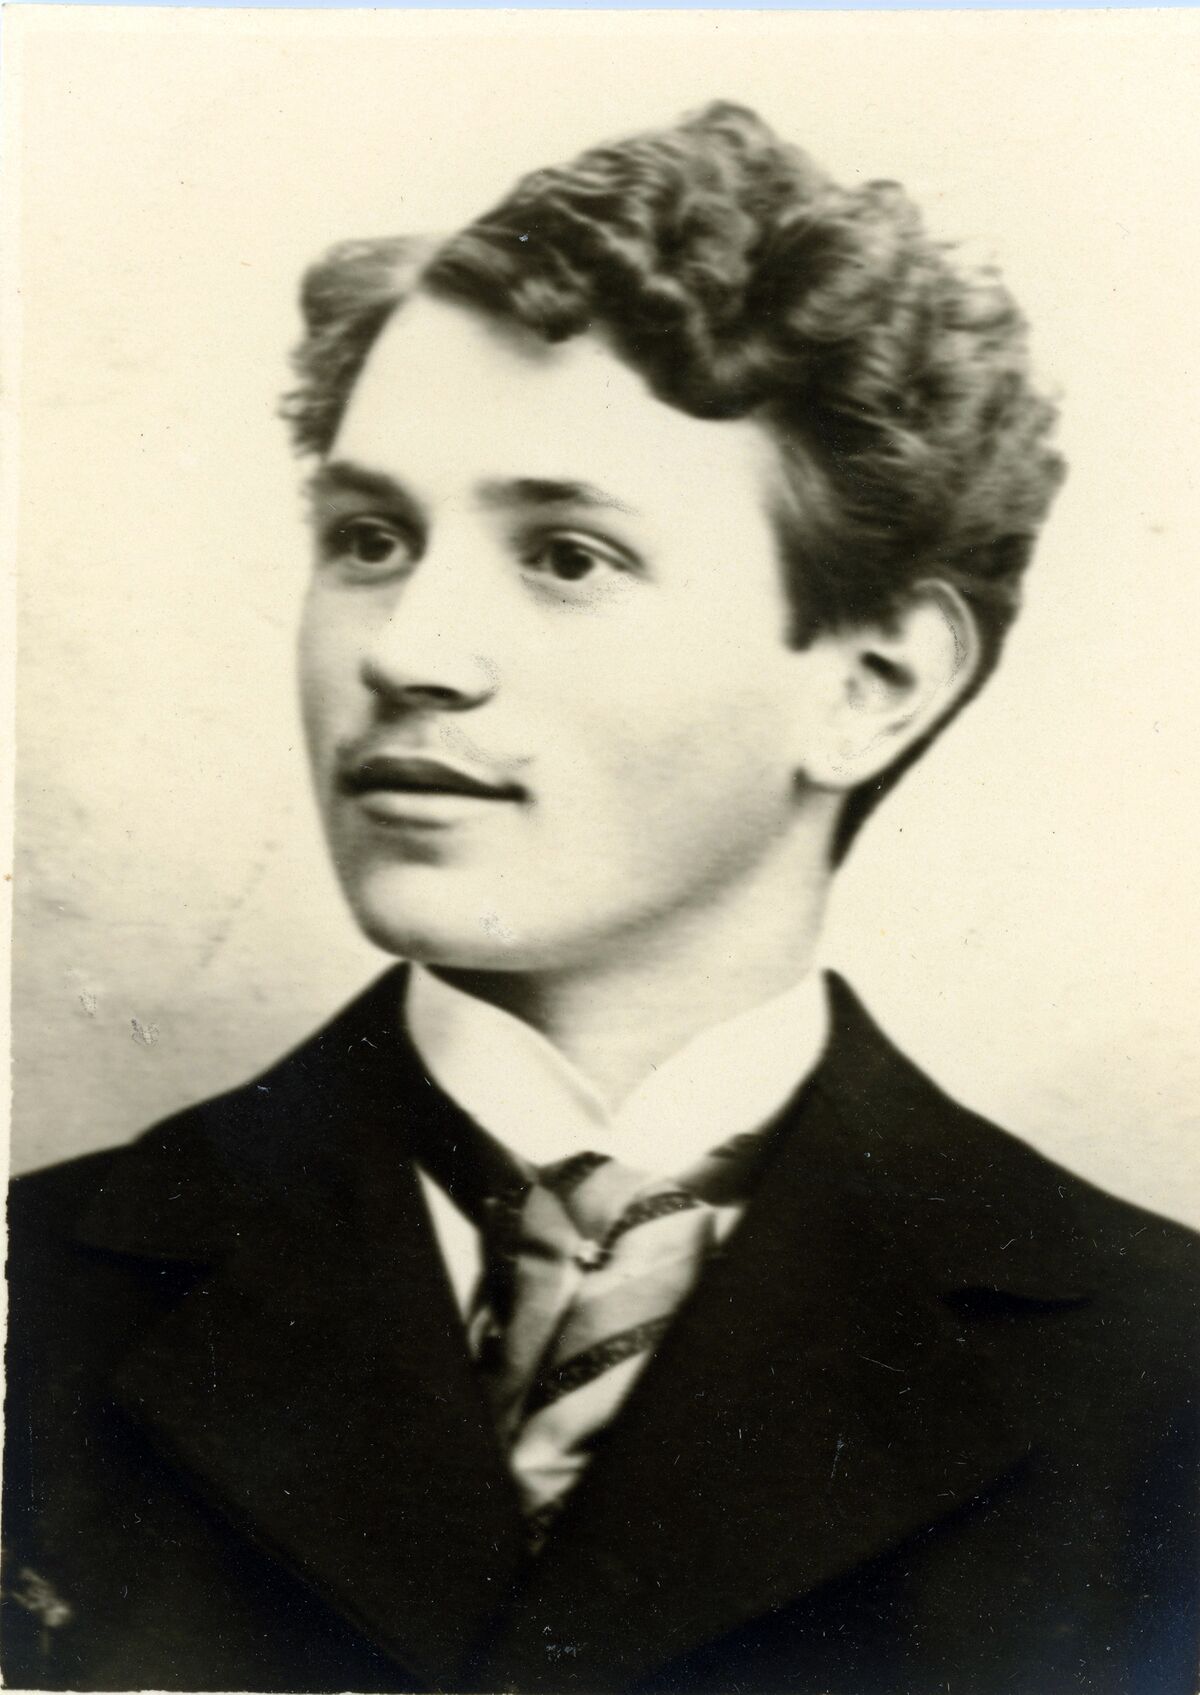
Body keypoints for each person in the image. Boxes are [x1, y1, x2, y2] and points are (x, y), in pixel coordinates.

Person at [3, 102, 1196, 1695]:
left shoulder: (1160, 1380)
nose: (406, 651)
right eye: (370, 538)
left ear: (875, 683)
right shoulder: (41, 1296)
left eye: (566, 556)